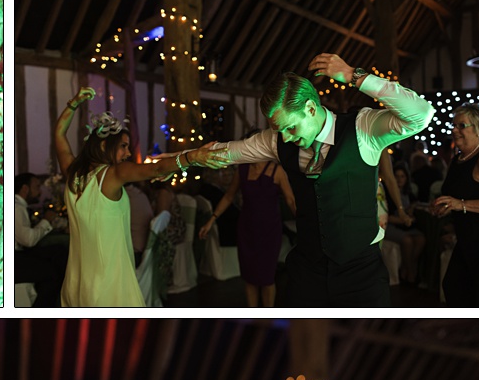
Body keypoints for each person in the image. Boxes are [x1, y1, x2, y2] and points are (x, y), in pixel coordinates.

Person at [205, 54, 433, 305]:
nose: (287, 137)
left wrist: (352, 75)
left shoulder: (363, 128)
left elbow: (421, 114)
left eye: (291, 127)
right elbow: (228, 151)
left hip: (361, 273)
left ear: (310, 108)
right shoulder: (279, 141)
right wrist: (179, 160)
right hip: (307, 272)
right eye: (280, 130)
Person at [53, 88, 205, 307]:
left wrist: (74, 103)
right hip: (110, 282)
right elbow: (155, 170)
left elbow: (59, 134)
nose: (128, 153)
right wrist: (193, 157)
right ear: (105, 145)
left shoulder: (72, 174)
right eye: (123, 146)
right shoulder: (113, 174)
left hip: (76, 283)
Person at [197, 160, 296, 306]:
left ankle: (267, 320)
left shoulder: (278, 171)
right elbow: (229, 196)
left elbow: (291, 200)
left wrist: (305, 223)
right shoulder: (242, 170)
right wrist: (211, 220)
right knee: (249, 278)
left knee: (267, 279)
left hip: (269, 232)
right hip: (247, 230)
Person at [430, 100, 479, 305]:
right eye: (454, 125)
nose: (454, 129)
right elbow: (457, 198)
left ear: (478, 129)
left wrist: (462, 204)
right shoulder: (457, 159)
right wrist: (446, 208)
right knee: (454, 287)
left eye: (461, 125)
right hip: (467, 241)